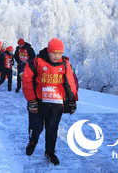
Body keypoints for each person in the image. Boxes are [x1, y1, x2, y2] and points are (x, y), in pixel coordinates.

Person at [22, 38, 78, 166]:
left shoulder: (65, 64)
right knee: (36, 128)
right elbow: (26, 81)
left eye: (59, 53)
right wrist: (32, 101)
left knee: (52, 129)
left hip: (56, 104)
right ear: (48, 51)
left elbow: (70, 84)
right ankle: (32, 142)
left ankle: (50, 152)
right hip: (38, 103)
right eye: (54, 53)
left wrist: (72, 102)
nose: (56, 56)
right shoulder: (36, 63)